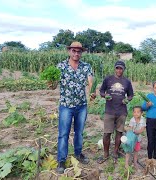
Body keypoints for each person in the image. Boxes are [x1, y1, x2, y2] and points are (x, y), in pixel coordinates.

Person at [56, 41, 95, 174]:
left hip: (81, 105)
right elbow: (54, 84)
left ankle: (78, 153)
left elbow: (90, 81)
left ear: (81, 53)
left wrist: (92, 91)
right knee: (63, 133)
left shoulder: (86, 66)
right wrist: (50, 83)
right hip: (66, 105)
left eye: (79, 51)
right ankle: (61, 160)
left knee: (79, 132)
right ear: (69, 51)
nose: (76, 53)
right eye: (74, 51)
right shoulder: (61, 66)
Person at [98, 60, 134, 164]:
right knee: (106, 134)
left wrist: (128, 99)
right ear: (115, 68)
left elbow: (131, 95)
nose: (119, 70)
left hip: (122, 111)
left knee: (119, 132)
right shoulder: (108, 79)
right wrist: (105, 96)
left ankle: (115, 152)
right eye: (117, 68)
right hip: (109, 111)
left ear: (124, 69)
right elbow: (101, 91)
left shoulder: (127, 82)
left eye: (121, 68)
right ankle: (105, 154)